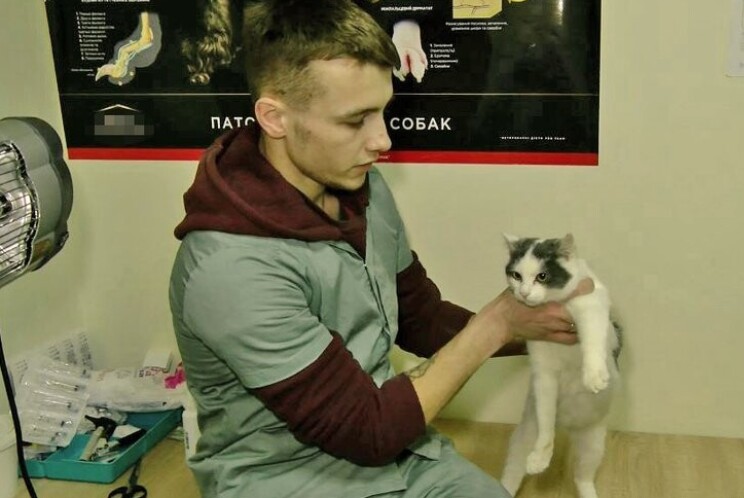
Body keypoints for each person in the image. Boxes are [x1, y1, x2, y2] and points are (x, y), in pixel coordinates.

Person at [168, 1, 588, 497]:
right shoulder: (228, 265)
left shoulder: (363, 187)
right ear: (274, 117)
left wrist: (541, 328)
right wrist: (495, 325)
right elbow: (366, 430)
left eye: (383, 111)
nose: (382, 140)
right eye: (355, 121)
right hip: (285, 478)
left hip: (397, 450)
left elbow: (420, 318)